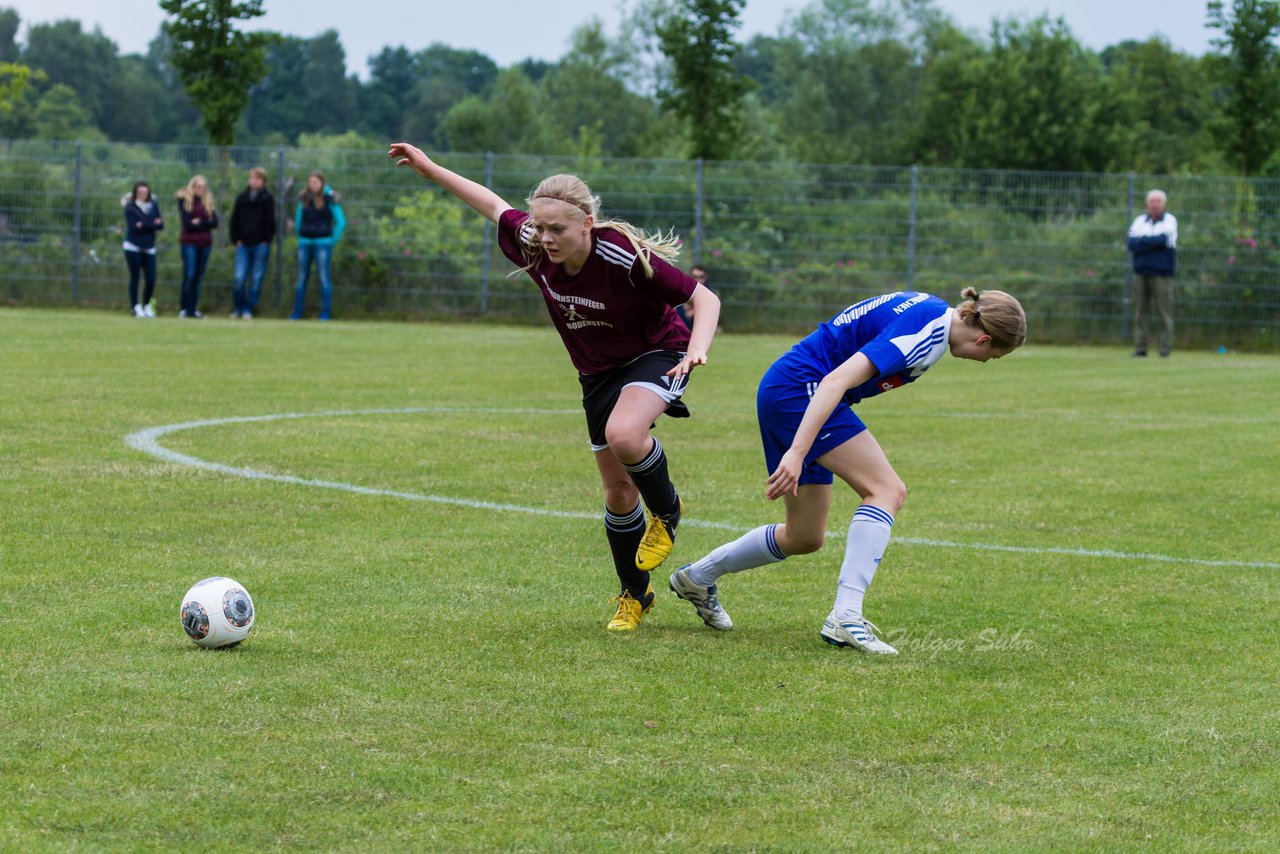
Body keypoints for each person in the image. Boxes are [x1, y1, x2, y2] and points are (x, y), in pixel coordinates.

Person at [389, 141, 721, 632]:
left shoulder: (621, 254)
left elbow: (703, 297)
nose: (544, 237)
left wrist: (697, 348)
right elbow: (491, 203)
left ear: (587, 224)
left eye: (557, 229)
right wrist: (431, 169)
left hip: (658, 355)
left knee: (625, 434)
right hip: (597, 374)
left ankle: (667, 514)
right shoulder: (532, 240)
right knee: (616, 491)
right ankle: (635, 595)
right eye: (540, 227)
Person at [667, 287, 1026, 654]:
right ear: (983, 339)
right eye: (994, 355)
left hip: (788, 389)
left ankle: (697, 577)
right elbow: (835, 381)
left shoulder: (930, 307)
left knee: (805, 535)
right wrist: (797, 451)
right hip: (803, 392)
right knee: (887, 490)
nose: (987, 361)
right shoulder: (927, 331)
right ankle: (846, 616)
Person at [1127, 189, 1177, 358]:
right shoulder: (1139, 221)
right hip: (1141, 272)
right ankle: (1140, 348)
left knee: (1164, 312)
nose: (1154, 204)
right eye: (1152, 201)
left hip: (1162, 274)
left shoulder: (1170, 220)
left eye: (1158, 201)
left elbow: (1165, 240)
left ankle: (1164, 349)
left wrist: (1144, 241)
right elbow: (1131, 244)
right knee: (1140, 311)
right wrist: (1153, 242)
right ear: (1147, 203)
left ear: (1163, 204)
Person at [291, 171, 345, 320]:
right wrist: (301, 235)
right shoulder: (304, 199)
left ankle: (325, 313)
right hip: (304, 243)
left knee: (323, 278)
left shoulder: (330, 199)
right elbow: (297, 221)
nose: (313, 185)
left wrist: (331, 240)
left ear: (322, 183)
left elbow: (341, 222)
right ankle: (297, 312)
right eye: (311, 182)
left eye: (316, 182)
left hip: (323, 244)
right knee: (301, 278)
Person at [229, 166, 277, 319]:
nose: (253, 181)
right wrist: (236, 239)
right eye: (251, 178)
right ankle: (238, 308)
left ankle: (249, 309)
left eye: (257, 178)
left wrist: (265, 240)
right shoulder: (241, 198)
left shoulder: (267, 199)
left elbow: (271, 222)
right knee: (239, 278)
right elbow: (234, 220)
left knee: (256, 279)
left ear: (263, 181)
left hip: (260, 245)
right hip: (243, 245)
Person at [175, 175, 218, 319]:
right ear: (192, 187)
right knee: (190, 274)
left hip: (205, 243)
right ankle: (184, 308)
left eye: (203, 187)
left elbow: (215, 223)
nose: (201, 189)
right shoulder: (184, 201)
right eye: (198, 186)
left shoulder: (208, 202)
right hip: (189, 243)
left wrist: (199, 222)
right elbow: (187, 223)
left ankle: (193, 309)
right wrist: (205, 222)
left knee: (198, 277)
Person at [122, 181, 163, 318]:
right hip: (133, 246)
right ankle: (135, 306)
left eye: (145, 192)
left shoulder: (153, 206)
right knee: (135, 276)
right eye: (140, 192)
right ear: (135, 193)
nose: (143, 195)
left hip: (149, 247)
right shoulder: (130, 207)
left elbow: (160, 224)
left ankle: (147, 305)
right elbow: (134, 227)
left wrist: (144, 224)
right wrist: (151, 223)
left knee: (151, 278)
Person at [675, 264, 709, 329]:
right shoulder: (684, 290)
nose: (698, 279)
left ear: (705, 277)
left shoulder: (710, 294)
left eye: (701, 277)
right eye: (695, 276)